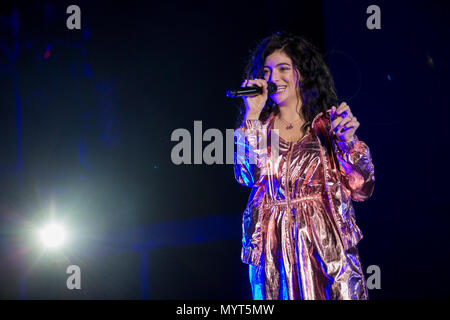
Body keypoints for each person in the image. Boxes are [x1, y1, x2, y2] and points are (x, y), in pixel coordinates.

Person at [233, 32, 375, 300]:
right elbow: (246, 175)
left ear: (302, 73)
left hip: (326, 248)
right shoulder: (260, 130)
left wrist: (348, 142)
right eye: (267, 71)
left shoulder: (328, 126)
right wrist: (252, 113)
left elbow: (362, 188)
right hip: (275, 252)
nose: (273, 78)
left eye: (283, 68)